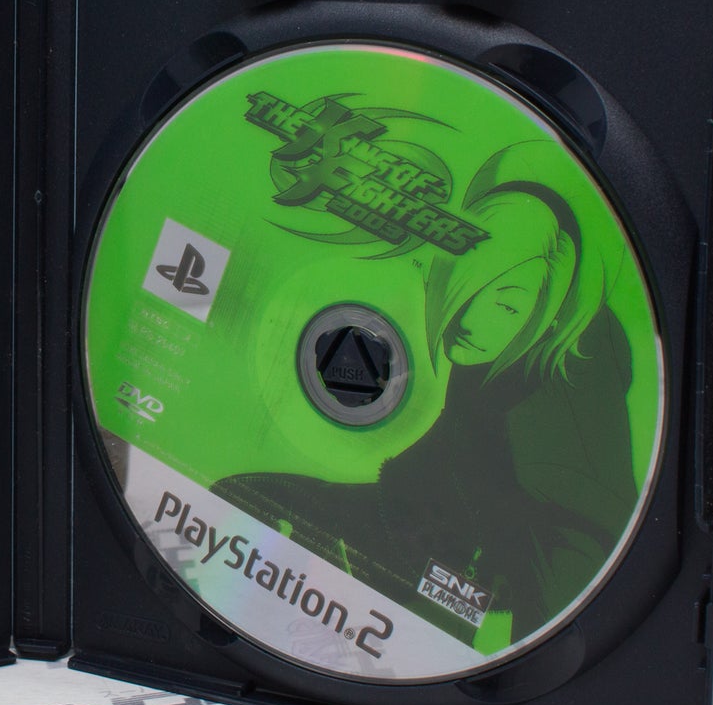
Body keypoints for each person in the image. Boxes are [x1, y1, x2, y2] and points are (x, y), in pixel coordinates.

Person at [216, 149, 644, 649]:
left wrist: (520, 658)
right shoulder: (496, 356)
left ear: (547, 311)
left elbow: (574, 546)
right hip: (425, 525)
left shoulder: (566, 389)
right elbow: (446, 461)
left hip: (476, 567)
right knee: (241, 496)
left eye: (507, 305)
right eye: (467, 288)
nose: (470, 320)